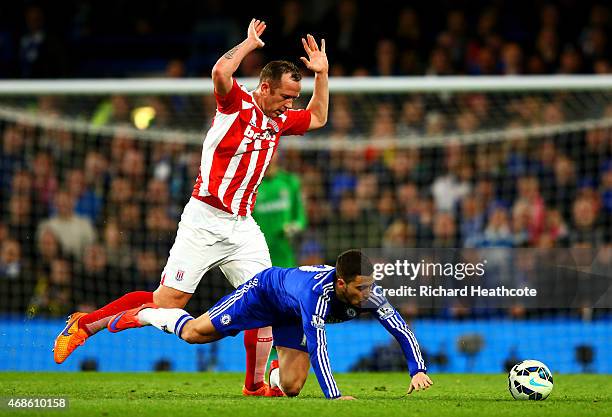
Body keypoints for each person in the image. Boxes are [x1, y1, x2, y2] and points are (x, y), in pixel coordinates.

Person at [53, 18, 330, 397]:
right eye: (284, 96)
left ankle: (255, 386)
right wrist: (248, 44)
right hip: (204, 219)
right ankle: (85, 325)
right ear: (264, 87)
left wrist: (323, 74)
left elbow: (318, 117)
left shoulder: (278, 120)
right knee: (167, 301)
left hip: (242, 225)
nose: (289, 104)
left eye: (293, 98)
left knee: (266, 300)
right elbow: (220, 71)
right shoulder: (236, 104)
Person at [106, 250, 432, 399]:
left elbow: (399, 327)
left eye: (370, 286)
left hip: (290, 313)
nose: (367, 293)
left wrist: (418, 369)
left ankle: (276, 370)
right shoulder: (316, 296)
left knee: (291, 388)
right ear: (341, 283)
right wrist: (334, 396)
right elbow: (318, 346)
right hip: (263, 293)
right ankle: (146, 314)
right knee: (195, 334)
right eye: (360, 287)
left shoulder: (369, 294)